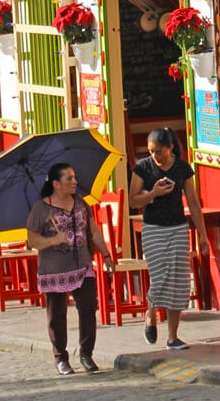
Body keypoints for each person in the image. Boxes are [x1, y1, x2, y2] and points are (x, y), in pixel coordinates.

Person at [26, 163, 114, 376]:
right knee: (57, 314)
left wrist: (106, 254)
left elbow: (93, 232)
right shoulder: (41, 208)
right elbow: (32, 240)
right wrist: (54, 239)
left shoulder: (81, 204)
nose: (74, 182)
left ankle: (86, 353)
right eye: (69, 178)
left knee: (88, 307)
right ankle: (61, 357)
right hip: (54, 269)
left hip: (82, 265)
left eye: (74, 177)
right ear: (56, 184)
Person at [129, 127, 209, 350]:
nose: (155, 156)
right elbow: (133, 200)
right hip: (153, 227)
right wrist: (153, 193)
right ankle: (151, 314)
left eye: (159, 151)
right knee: (160, 275)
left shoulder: (182, 168)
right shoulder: (143, 168)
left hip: (178, 228)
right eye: (151, 151)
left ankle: (172, 337)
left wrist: (202, 235)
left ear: (170, 148)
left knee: (179, 280)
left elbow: (193, 202)